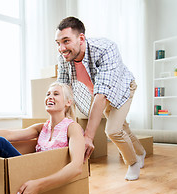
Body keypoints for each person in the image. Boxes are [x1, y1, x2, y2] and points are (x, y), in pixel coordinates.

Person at [55, 16, 146, 181]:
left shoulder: (105, 48)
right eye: (58, 43)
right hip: (99, 93)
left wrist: (88, 137)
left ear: (81, 38)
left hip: (122, 89)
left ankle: (133, 163)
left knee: (113, 130)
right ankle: (141, 151)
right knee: (122, 127)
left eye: (66, 41)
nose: (61, 48)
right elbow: (62, 89)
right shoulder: (64, 57)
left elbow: (102, 94)